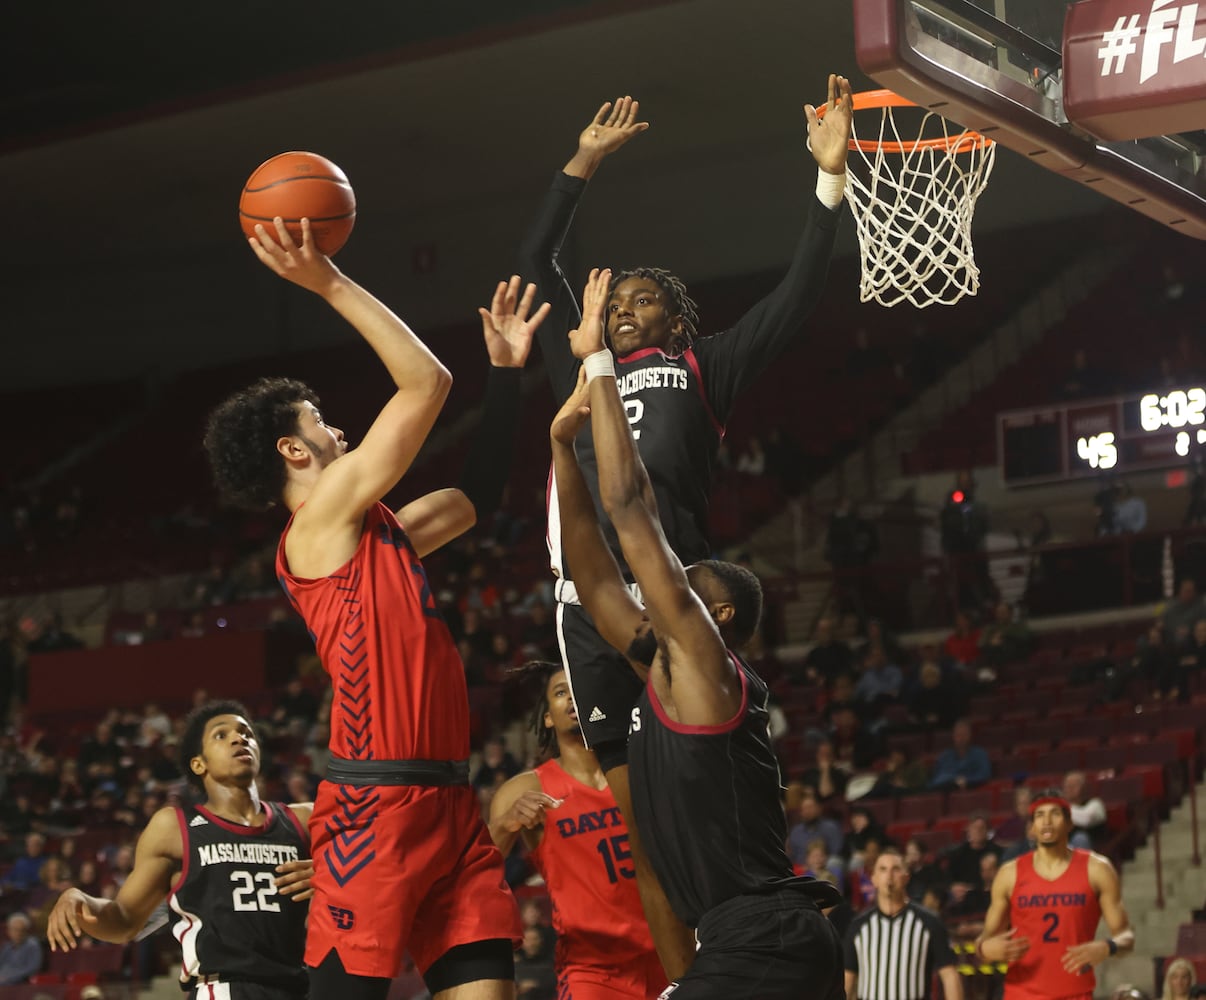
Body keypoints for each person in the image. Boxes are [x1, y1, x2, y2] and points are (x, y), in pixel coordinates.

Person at [516, 75, 853, 977]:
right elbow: (537, 257)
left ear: (678, 313)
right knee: (650, 840)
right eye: (616, 299)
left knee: (697, 810)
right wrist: (581, 163)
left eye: (643, 299)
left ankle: (735, 956)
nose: (624, 307)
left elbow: (795, 296)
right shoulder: (583, 362)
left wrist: (828, 182)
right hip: (587, 602)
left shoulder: (704, 366)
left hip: (674, 589)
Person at [203, 220, 548, 998]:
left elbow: (479, 498)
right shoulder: (319, 523)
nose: (337, 429)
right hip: (375, 806)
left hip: (450, 804)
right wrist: (326, 280)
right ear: (296, 454)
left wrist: (505, 375)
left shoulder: (377, 533)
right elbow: (426, 383)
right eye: (319, 422)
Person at [548, 267, 845, 997]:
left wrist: (594, 368)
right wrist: (561, 448)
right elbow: (593, 581)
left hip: (761, 934)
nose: (661, 591)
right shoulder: (658, 663)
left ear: (716, 619)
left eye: (682, 587)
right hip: (747, 934)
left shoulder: (705, 666)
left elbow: (626, 503)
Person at [46, 701, 314, 998]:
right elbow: (124, 920)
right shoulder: (174, 828)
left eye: (246, 733)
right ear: (199, 764)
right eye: (221, 735)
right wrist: (79, 898)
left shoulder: (303, 821)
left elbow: (369, 871)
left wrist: (333, 873)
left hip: (298, 988)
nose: (240, 739)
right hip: (222, 988)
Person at [487, 663, 667, 999]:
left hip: (669, 953)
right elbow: (477, 872)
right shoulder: (524, 789)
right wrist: (503, 824)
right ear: (548, 718)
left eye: (578, 689)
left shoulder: (640, 770)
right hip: (592, 970)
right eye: (559, 692)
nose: (571, 697)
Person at [976, 789, 1135, 1000]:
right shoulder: (1009, 874)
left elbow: (1127, 937)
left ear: (1070, 824)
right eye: (1039, 816)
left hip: (1075, 993)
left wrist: (1108, 946)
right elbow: (984, 941)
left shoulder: (1097, 869)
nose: (1047, 821)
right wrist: (986, 950)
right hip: (1021, 994)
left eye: (1055, 814)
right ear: (1032, 828)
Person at [844, 848, 963, 1000]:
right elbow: (848, 979)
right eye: (883, 869)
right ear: (874, 878)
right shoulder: (858, 927)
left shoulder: (929, 922)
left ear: (906, 877)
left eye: (895, 869)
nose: (889, 876)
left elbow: (950, 975)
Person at [929, 720, 992, 791]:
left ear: (970, 735)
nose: (961, 738)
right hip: (949, 793)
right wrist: (956, 780)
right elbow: (935, 780)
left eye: (964, 734)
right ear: (953, 736)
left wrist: (965, 781)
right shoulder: (944, 757)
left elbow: (984, 775)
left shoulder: (980, 754)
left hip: (974, 792)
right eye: (958, 735)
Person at [0, 912, 42, 986]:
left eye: (22, 930)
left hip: (18, 982)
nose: (18, 933)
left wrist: (9, 977)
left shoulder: (33, 946)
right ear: (9, 931)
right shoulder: (7, 946)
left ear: (27, 931)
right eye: (15, 930)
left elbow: (33, 968)